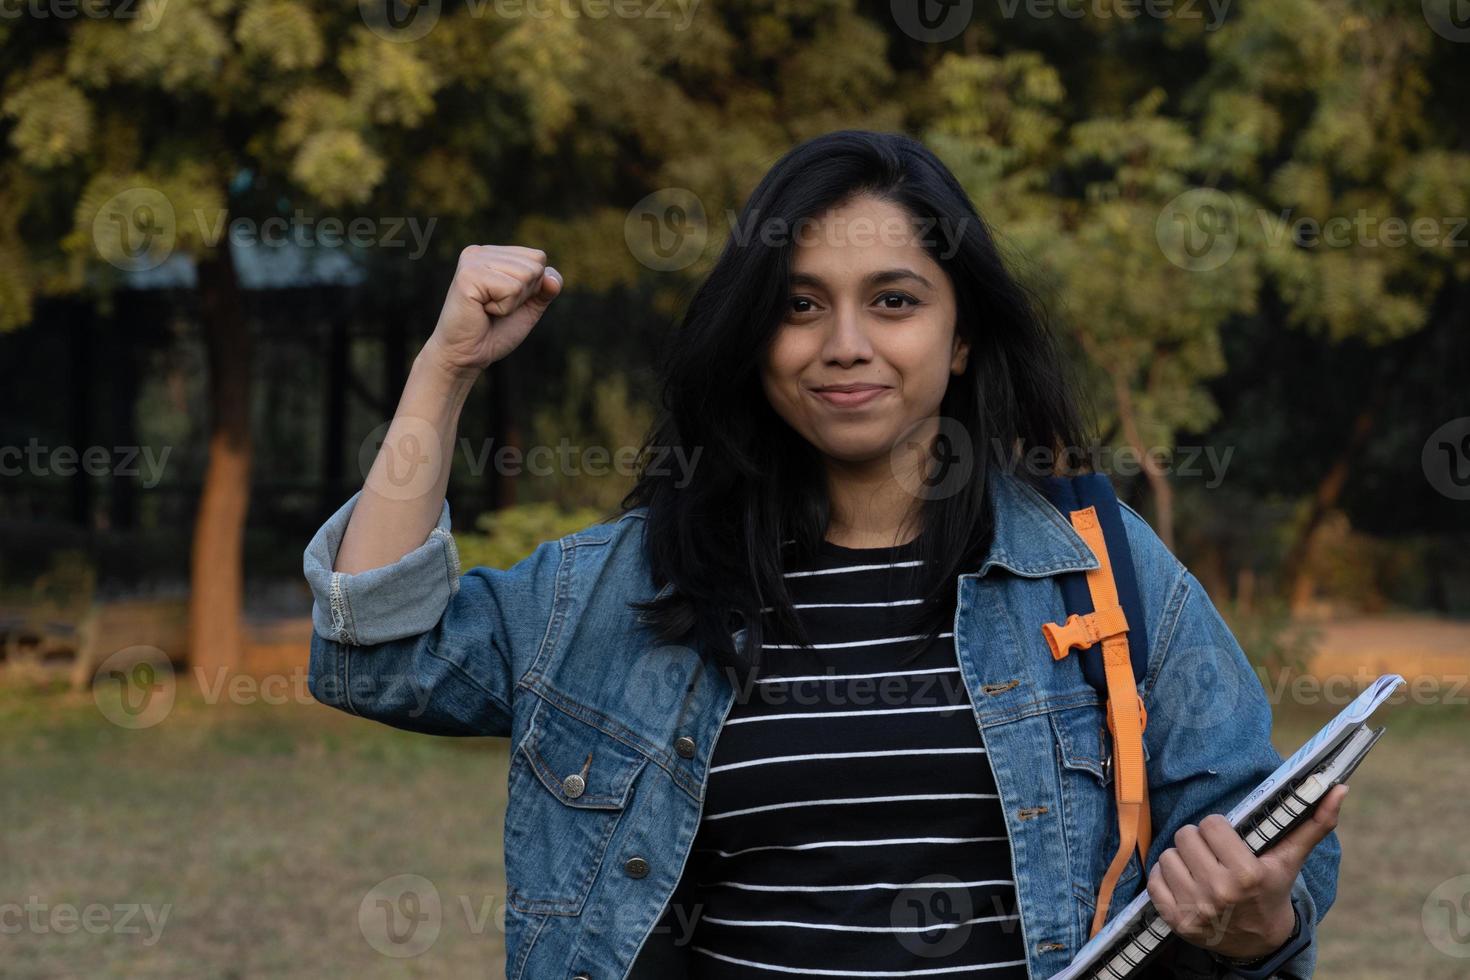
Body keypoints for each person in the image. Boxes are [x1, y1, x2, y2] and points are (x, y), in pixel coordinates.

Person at [303, 130, 1343, 979]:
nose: (843, 342)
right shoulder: (632, 582)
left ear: (961, 335)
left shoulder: (1100, 565)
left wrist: (1254, 920)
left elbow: (1254, 846)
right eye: (799, 305)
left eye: (894, 300)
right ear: (757, 338)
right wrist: (445, 368)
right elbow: (382, 653)